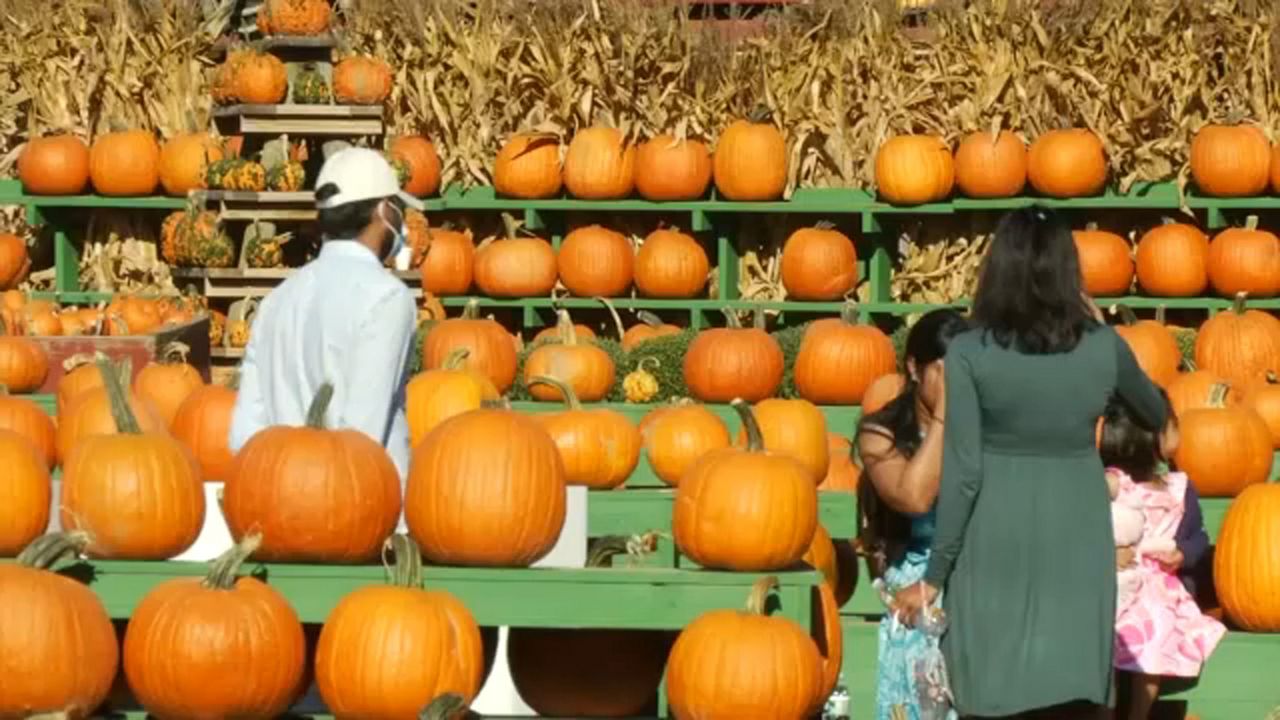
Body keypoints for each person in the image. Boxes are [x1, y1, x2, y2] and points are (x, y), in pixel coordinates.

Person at [892, 207, 1171, 719]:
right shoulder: (1103, 347)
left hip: (994, 533)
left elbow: (964, 472)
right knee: (1070, 690)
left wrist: (935, 574)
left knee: (993, 686)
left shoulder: (970, 352)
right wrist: (1100, 331)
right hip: (1076, 531)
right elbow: (1155, 413)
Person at [228, 147, 422, 480]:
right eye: (397, 207)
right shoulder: (386, 297)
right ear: (383, 210)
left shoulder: (277, 299)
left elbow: (245, 434)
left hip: (277, 492)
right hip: (358, 501)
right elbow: (362, 437)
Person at [857, 308, 969, 720]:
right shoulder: (880, 433)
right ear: (914, 368)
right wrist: (944, 416)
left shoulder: (983, 432)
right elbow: (915, 498)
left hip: (971, 572)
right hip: (913, 583)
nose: (954, 383)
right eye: (943, 371)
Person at [1100, 392, 1225, 720]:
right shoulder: (1113, 483)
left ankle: (1138, 715)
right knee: (1105, 642)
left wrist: (1182, 553)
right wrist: (1107, 553)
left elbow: (1199, 538)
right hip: (1117, 582)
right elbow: (1086, 524)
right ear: (1150, 437)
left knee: (1156, 630)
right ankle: (1103, 712)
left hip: (1159, 587)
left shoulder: (1179, 488)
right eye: (1172, 425)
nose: (1178, 431)